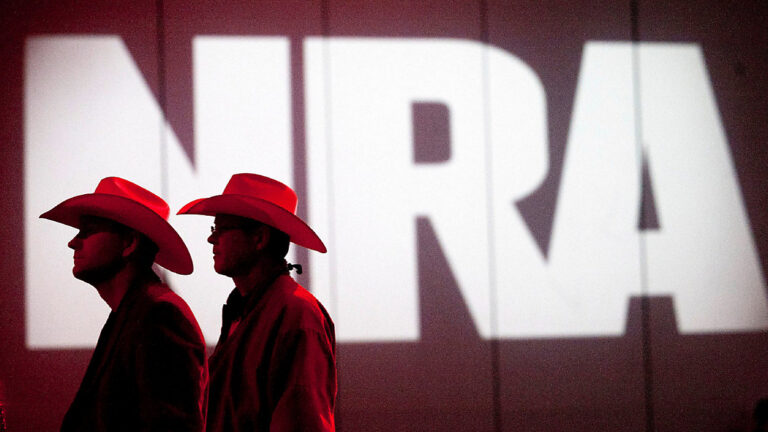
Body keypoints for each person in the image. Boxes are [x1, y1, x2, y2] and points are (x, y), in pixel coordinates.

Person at [40, 177, 207, 432]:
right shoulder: (134, 312)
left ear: (129, 243)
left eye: (88, 230)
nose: (73, 242)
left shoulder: (159, 316)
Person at [178, 173, 336, 431]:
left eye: (221, 229)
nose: (211, 239)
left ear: (259, 238)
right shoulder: (243, 309)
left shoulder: (297, 314)